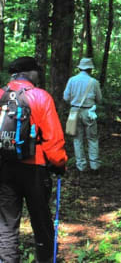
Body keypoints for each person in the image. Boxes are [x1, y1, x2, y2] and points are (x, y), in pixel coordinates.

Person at [0, 56, 68, 263]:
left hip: (3, 168)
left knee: (6, 224)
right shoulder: (40, 96)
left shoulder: (1, 94)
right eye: (37, 71)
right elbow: (53, 138)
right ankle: (45, 259)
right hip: (35, 168)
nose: (39, 75)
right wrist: (59, 163)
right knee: (41, 221)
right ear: (29, 73)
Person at [63, 58, 102, 173]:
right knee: (92, 139)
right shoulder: (94, 82)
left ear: (79, 68)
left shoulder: (72, 80)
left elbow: (65, 97)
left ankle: (81, 166)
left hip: (73, 111)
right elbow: (99, 99)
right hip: (89, 112)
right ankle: (94, 165)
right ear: (90, 69)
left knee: (77, 139)